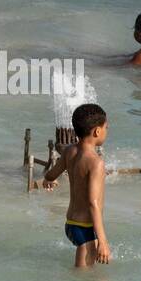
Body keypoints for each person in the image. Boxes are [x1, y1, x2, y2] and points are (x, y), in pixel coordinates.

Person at [40, 103, 112, 267]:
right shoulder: (96, 163)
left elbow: (50, 174)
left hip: (72, 224)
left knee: (92, 279)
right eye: (106, 127)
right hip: (85, 227)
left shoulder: (69, 151)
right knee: (83, 280)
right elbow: (93, 203)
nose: (107, 131)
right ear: (97, 131)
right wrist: (103, 241)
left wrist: (48, 180)